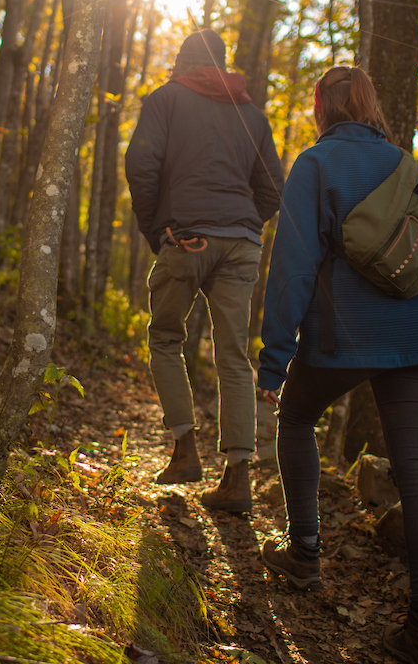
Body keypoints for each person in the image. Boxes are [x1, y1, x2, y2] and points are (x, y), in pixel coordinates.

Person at [255, 66, 418, 664]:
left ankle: (304, 554)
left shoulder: (315, 165)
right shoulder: (409, 168)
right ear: (370, 104)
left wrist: (274, 361)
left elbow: (291, 267)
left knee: (294, 420)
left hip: (347, 336)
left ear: (319, 105)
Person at [125, 28, 283, 512]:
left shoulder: (165, 99)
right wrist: (237, 225)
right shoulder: (251, 115)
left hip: (186, 237)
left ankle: (184, 451)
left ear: (181, 62)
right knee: (234, 355)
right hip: (242, 243)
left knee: (166, 339)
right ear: (223, 64)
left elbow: (141, 165)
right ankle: (238, 479)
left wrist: (158, 230)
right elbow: (274, 189)